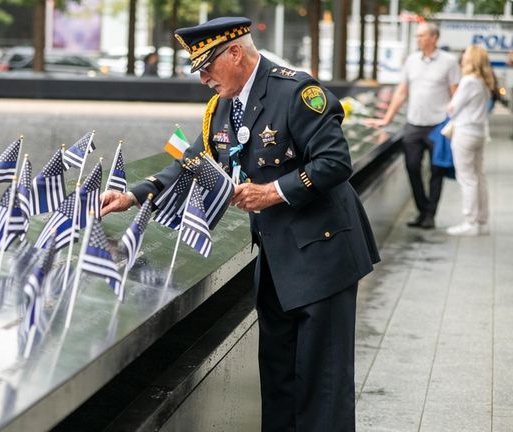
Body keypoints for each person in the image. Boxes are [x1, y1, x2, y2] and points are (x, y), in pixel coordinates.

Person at [101, 17, 380, 431]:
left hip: (323, 256)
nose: (203, 78)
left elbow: (335, 162)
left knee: (322, 385)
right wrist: (134, 195)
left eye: (206, 65)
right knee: (279, 377)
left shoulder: (297, 93)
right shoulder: (223, 106)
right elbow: (192, 163)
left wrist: (273, 192)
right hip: (276, 260)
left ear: (235, 51)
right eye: (197, 69)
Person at [368, 22, 460, 229]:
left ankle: (429, 215)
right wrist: (387, 119)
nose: (418, 39)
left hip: (439, 126)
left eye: (422, 36)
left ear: (434, 38)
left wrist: (456, 122)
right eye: (417, 36)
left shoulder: (449, 62)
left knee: (437, 171)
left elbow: (456, 94)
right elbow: (401, 92)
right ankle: (422, 209)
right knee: (411, 167)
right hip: (414, 124)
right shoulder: (411, 61)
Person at [445, 45, 494, 236]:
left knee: (467, 178)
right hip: (480, 133)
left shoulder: (468, 81)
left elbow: (453, 108)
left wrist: (450, 104)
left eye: (465, 55)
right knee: (479, 176)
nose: (462, 58)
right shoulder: (483, 81)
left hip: (465, 133)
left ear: (471, 59)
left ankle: (470, 221)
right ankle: (482, 220)